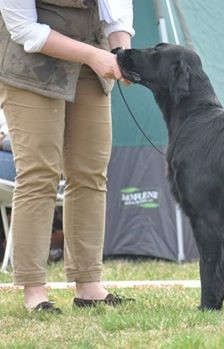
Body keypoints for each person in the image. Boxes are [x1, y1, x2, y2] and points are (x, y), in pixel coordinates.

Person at [0, 0, 134, 313]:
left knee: (90, 172)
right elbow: (24, 30)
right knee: (39, 173)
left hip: (92, 58)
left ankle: (89, 284)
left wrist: (120, 54)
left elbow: (117, 10)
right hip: (29, 65)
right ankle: (34, 289)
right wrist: (92, 55)